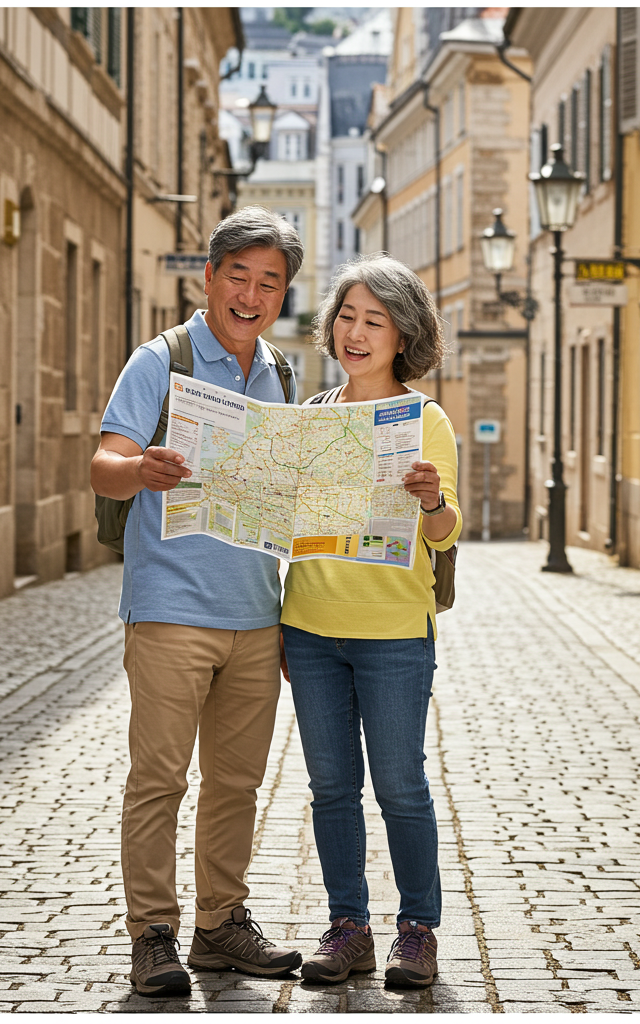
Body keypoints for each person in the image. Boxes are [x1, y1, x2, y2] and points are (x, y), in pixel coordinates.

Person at [91, 206, 305, 996]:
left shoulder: (283, 374)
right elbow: (103, 463)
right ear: (209, 278)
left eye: (269, 283)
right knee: (160, 779)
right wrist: (140, 467)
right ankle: (153, 932)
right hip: (171, 609)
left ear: (282, 295)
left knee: (237, 783)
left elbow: (289, 500)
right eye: (238, 277)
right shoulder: (162, 359)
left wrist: (292, 613)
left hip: (256, 613)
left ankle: (221, 924)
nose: (251, 295)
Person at [280, 254, 462, 989]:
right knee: (330, 787)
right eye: (347, 317)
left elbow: (446, 533)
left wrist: (427, 498)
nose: (356, 333)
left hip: (393, 633)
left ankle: (417, 930)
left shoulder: (426, 419)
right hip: (311, 629)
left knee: (400, 786)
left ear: (402, 335)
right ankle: (348, 926)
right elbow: (282, 528)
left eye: (374, 321)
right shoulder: (312, 419)